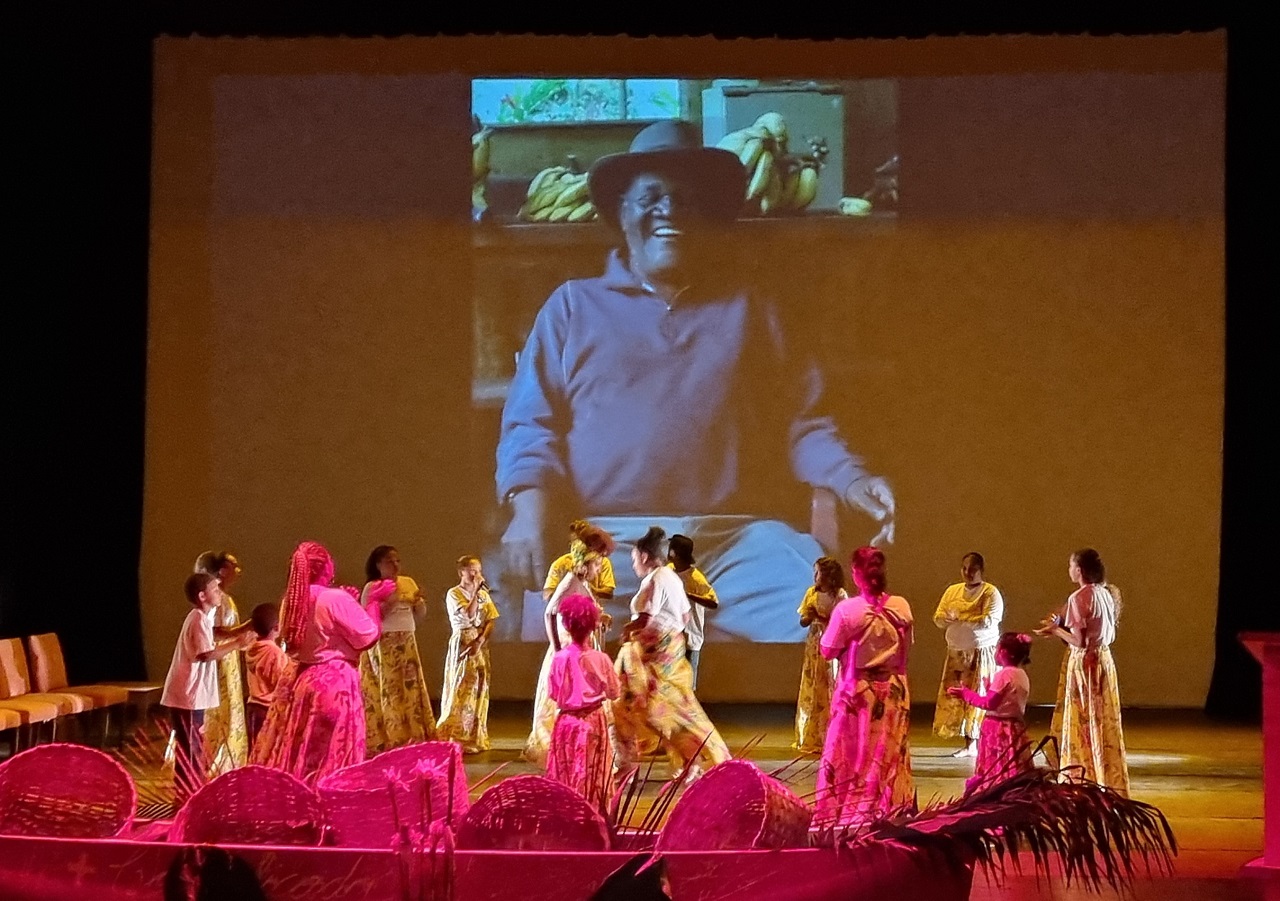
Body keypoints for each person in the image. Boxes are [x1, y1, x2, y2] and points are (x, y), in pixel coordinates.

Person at [494, 119, 896, 643]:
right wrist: (527, 513)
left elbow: (805, 423)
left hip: (736, 541)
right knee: (568, 649)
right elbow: (531, 425)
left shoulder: (753, 308)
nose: (670, 211)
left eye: (687, 200)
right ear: (621, 213)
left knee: (831, 625)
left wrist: (853, 479)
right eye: (651, 196)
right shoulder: (572, 305)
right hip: (606, 543)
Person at [253, 541, 383, 785]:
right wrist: (373, 604)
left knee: (304, 756)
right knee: (332, 759)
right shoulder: (334, 598)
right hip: (334, 685)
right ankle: (330, 812)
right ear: (326, 567)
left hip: (303, 682)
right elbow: (368, 636)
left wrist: (348, 603)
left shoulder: (292, 600)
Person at [612, 526, 731, 782]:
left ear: (644, 556)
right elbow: (685, 616)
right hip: (667, 654)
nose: (633, 565)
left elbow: (646, 618)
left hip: (654, 658)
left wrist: (628, 630)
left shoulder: (656, 579)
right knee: (668, 712)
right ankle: (689, 761)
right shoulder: (672, 577)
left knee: (639, 710)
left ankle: (628, 764)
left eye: (634, 559)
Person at [814, 546, 914, 829]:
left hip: (859, 691)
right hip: (895, 690)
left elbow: (827, 650)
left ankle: (848, 816)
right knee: (887, 752)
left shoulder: (848, 610)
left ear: (856, 574)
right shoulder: (902, 606)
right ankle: (889, 810)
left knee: (853, 754)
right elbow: (905, 650)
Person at [1035, 548, 1130, 796]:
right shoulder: (1106, 594)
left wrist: (1055, 631)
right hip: (1103, 660)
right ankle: (1102, 770)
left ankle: (1081, 771)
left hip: (1086, 664)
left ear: (1079, 570)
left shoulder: (1079, 597)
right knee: (1100, 719)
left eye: (1070, 565)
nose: (1069, 570)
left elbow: (1078, 641)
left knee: (1082, 718)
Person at [160, 572, 254, 806]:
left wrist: (237, 631)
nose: (220, 593)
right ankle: (189, 797)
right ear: (202, 595)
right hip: (188, 696)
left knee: (193, 745)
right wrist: (236, 644)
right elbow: (205, 654)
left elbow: (214, 632)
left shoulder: (201, 617)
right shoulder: (198, 619)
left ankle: (188, 795)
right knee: (191, 749)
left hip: (191, 695)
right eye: (215, 589)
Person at [524, 539, 609, 764]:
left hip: (583, 646)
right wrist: (557, 648)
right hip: (568, 647)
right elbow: (550, 612)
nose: (599, 569)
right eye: (596, 565)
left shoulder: (584, 584)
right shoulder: (570, 580)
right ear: (585, 564)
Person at [546, 593, 621, 816]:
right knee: (593, 773)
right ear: (592, 624)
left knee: (567, 772)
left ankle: (566, 817)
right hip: (593, 721)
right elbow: (614, 692)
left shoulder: (559, 658)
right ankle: (593, 816)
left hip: (566, 722)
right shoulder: (601, 659)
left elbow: (552, 693)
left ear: (567, 625)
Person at [357, 545, 437, 754]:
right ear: (378, 565)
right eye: (389, 561)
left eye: (397, 561)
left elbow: (418, 616)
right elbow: (369, 617)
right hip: (384, 643)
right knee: (390, 689)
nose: (395, 565)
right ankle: (391, 735)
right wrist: (392, 599)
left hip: (407, 640)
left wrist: (419, 602)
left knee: (409, 687)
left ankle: (413, 733)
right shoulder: (372, 587)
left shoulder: (407, 582)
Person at [932, 552, 1005, 758]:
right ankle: (968, 743)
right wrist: (950, 618)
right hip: (957, 652)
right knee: (958, 697)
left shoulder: (991, 592)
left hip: (980, 651)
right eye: (964, 568)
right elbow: (938, 617)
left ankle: (976, 742)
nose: (968, 573)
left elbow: (989, 619)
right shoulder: (952, 591)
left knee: (978, 695)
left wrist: (960, 616)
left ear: (981, 570)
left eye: (972, 569)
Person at [193, 551, 255, 778]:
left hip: (226, 660)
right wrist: (244, 631)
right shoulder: (219, 599)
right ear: (221, 571)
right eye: (232, 566)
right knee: (219, 708)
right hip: (219, 661)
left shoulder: (224, 598)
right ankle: (216, 759)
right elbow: (214, 633)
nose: (237, 571)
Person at [948, 631, 1035, 793]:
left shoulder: (1003, 674)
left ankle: (994, 791)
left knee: (996, 764)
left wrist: (965, 694)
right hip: (1015, 727)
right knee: (1012, 763)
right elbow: (1007, 700)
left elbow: (989, 703)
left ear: (1003, 652)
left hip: (998, 729)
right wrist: (990, 689)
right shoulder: (1021, 674)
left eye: (996, 648)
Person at [437, 555, 500, 753]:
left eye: (478, 569)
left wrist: (481, 640)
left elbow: (491, 618)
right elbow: (469, 614)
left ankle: (474, 735)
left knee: (478, 687)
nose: (476, 574)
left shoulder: (483, 595)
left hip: (478, 642)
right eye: (471, 570)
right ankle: (456, 733)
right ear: (461, 572)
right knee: (462, 686)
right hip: (463, 640)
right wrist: (475, 593)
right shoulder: (454, 594)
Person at [793, 556, 847, 754]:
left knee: (830, 687)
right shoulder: (811, 593)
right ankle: (810, 735)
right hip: (815, 645)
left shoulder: (840, 595)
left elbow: (842, 622)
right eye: (814, 572)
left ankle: (830, 736)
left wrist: (821, 616)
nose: (815, 576)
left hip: (832, 645)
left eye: (819, 572)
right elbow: (803, 621)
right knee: (813, 687)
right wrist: (809, 615)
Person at [665, 534, 717, 690]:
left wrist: (687, 594)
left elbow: (713, 602)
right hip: (670, 637)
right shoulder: (668, 571)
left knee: (686, 687)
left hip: (690, 639)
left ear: (673, 552)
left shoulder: (695, 578)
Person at [243, 602, 290, 750]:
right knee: (267, 749)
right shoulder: (275, 654)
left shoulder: (251, 648)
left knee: (254, 748)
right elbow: (281, 682)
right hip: (267, 708)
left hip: (252, 706)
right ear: (277, 627)